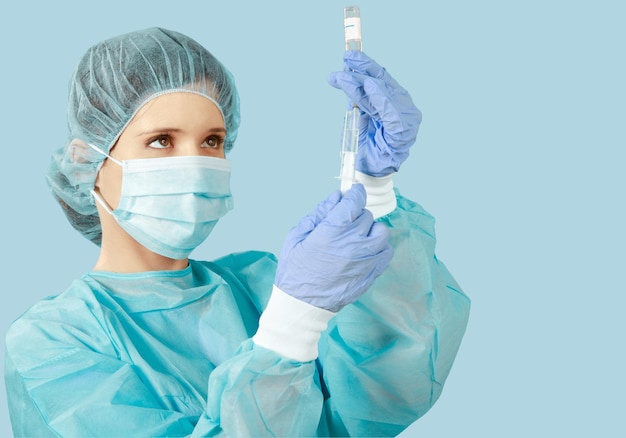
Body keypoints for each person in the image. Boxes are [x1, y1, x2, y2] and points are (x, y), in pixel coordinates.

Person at [4, 27, 470, 437]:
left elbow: (389, 388)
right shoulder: (51, 342)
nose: (196, 163)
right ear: (88, 162)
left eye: (212, 141)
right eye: (161, 141)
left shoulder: (261, 283)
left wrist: (374, 190)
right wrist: (291, 328)